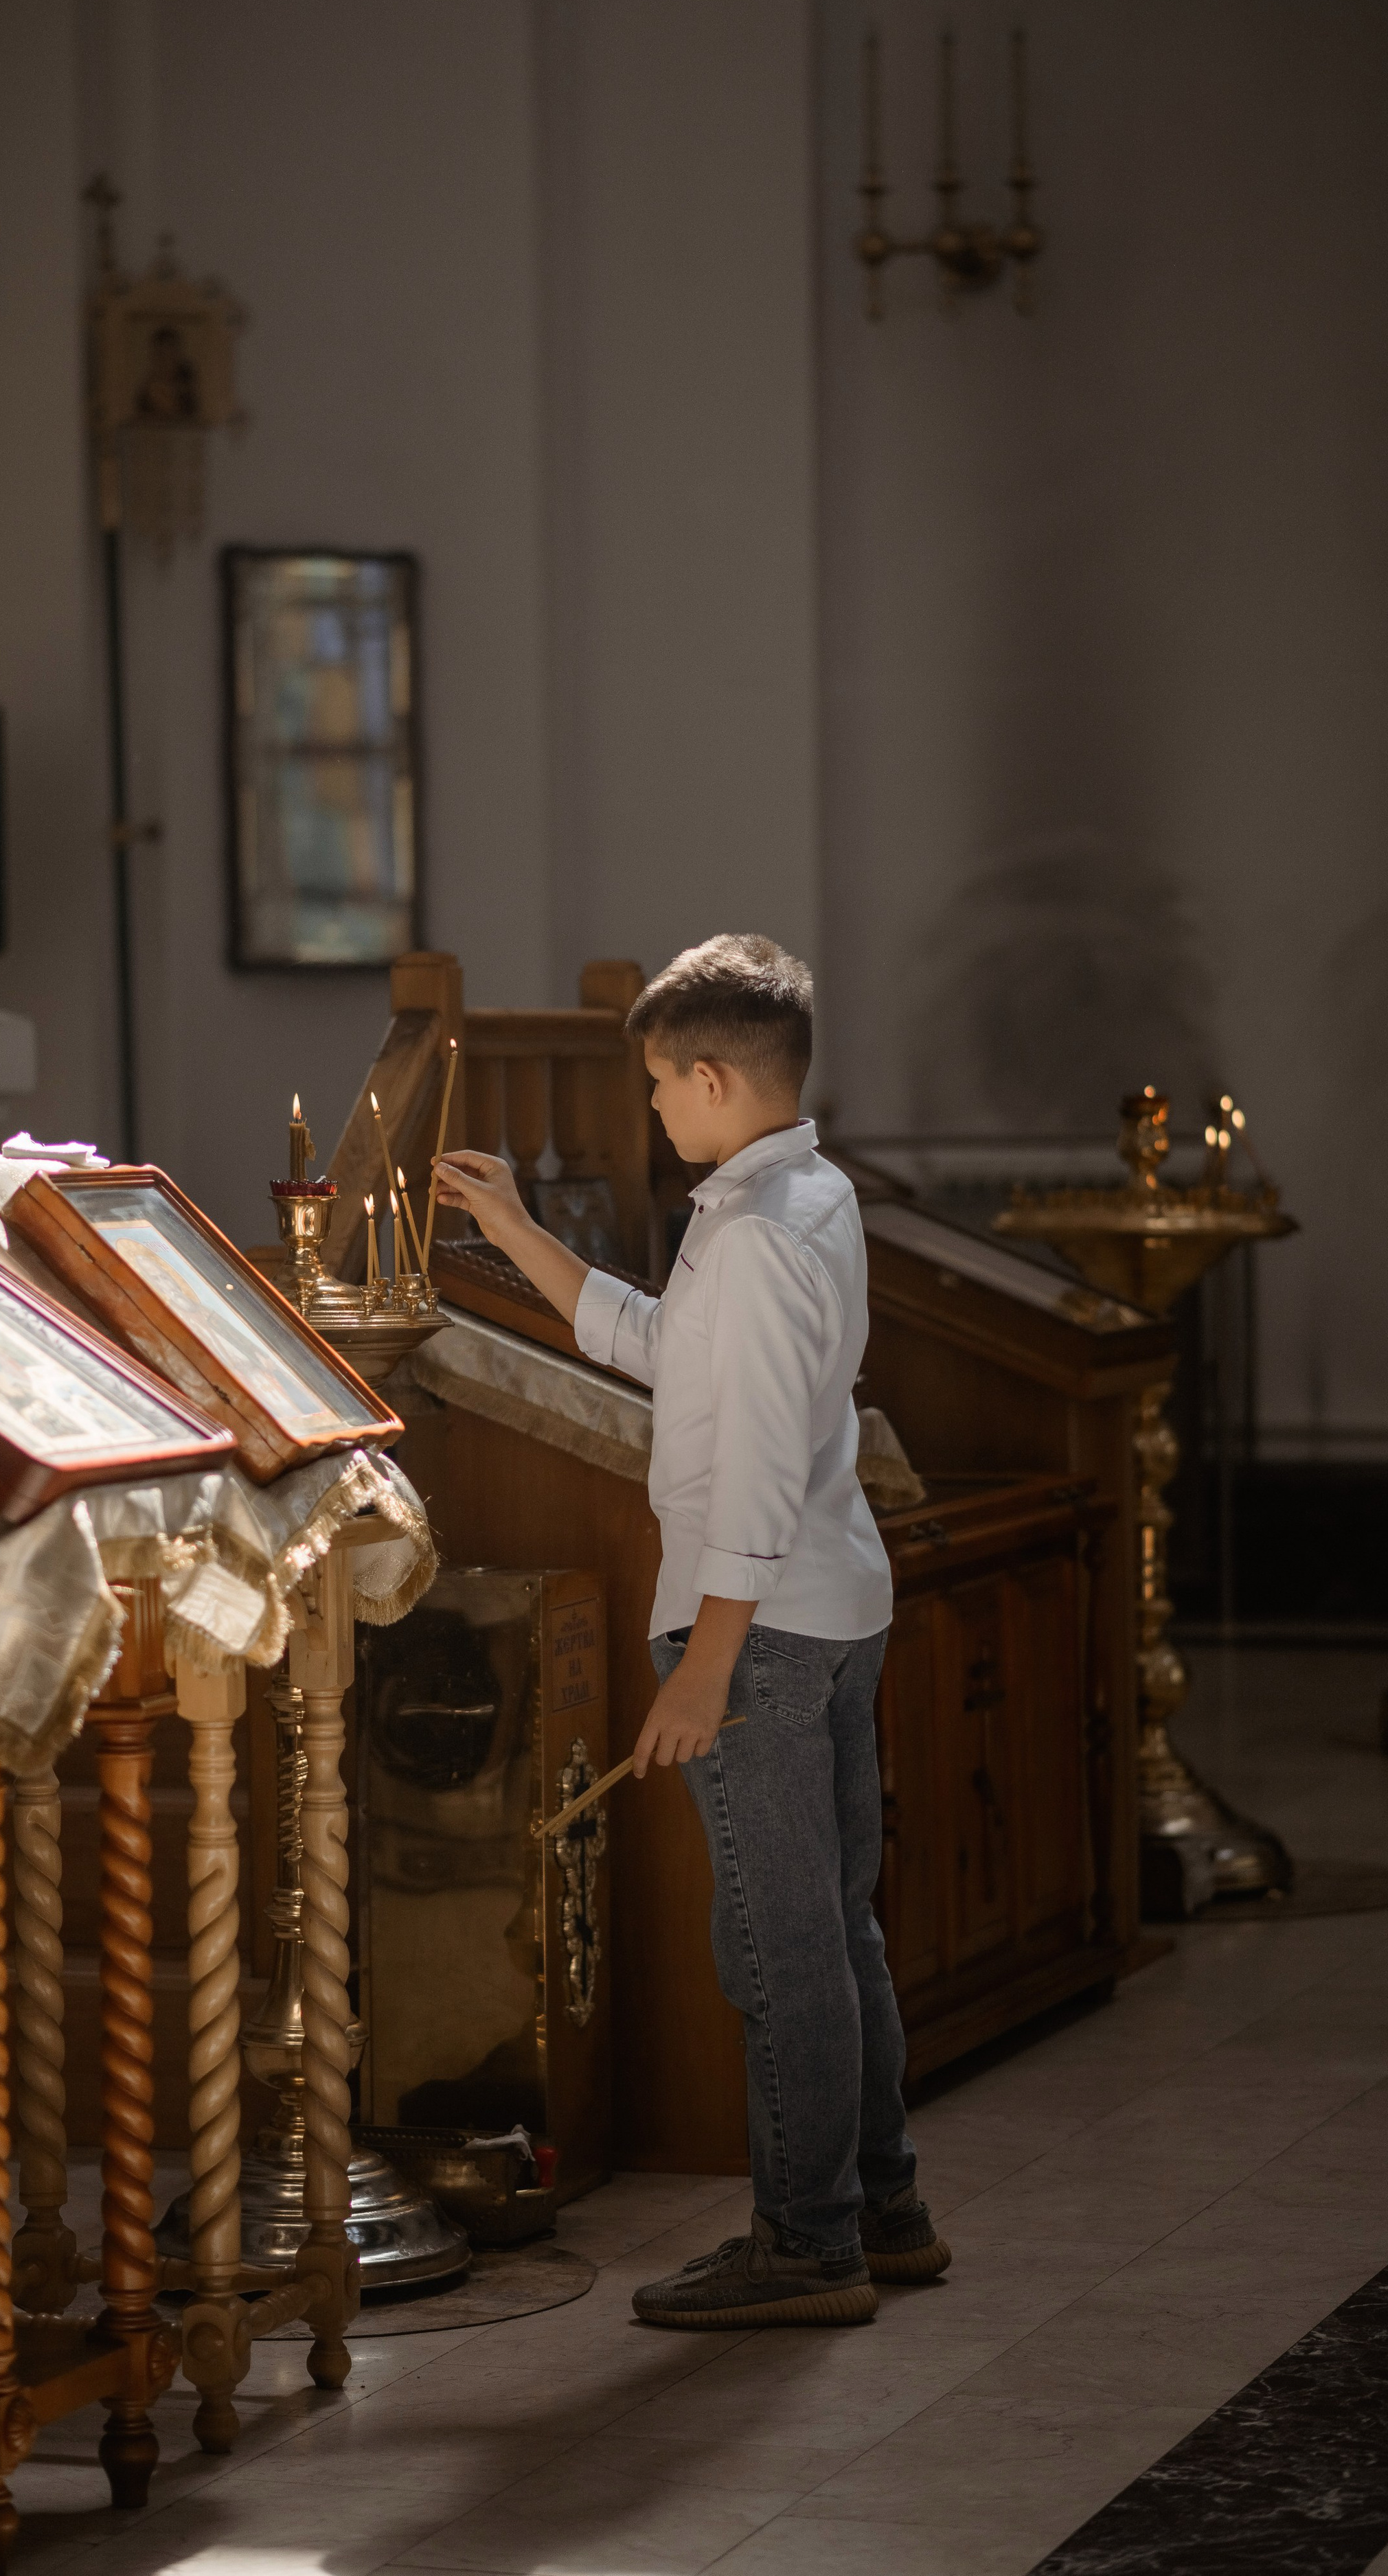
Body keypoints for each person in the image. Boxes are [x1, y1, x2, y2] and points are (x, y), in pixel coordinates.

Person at [432, 933, 950, 2328]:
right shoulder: (790, 1196)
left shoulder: (766, 1234)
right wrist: (519, 1236)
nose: (653, 1108)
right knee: (828, 1932)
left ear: (714, 1078)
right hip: (822, 1612)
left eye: (661, 1084)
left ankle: (807, 2243)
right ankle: (881, 2206)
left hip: (766, 1636)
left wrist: (706, 1668)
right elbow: (671, 1352)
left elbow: (760, 1470)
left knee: (778, 1947)